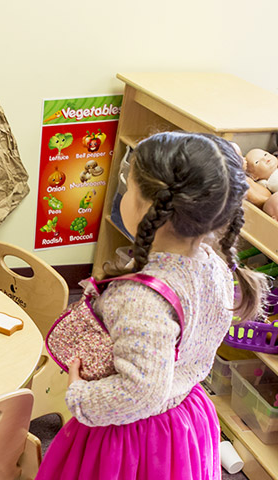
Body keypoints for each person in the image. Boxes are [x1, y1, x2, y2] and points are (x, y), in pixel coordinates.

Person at [36, 132, 269, 480]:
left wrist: (81, 395)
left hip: (133, 440)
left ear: (149, 207)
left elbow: (140, 392)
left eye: (129, 188)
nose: (124, 195)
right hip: (186, 416)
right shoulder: (215, 263)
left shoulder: (140, 299)